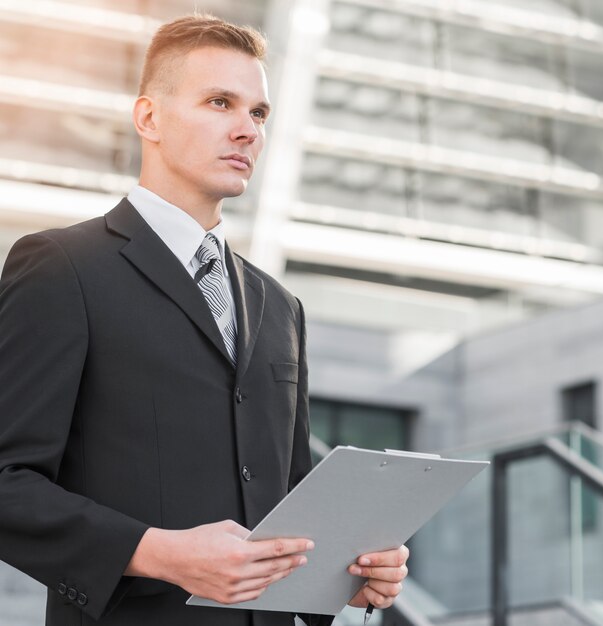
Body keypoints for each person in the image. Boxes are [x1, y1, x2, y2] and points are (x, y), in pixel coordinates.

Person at [0, 14, 408, 626]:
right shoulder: (62, 267)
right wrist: (157, 552)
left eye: (259, 113)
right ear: (149, 119)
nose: (246, 130)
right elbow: (6, 480)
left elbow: (291, 500)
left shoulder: (279, 306)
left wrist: (347, 573)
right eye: (220, 102)